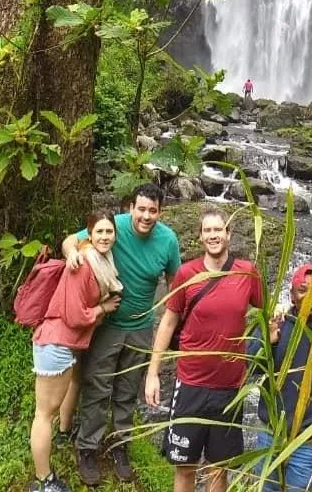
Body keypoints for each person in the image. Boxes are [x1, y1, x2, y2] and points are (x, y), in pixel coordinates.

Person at [62, 183, 181, 485]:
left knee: (128, 392)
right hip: (108, 326)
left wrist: (180, 322)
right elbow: (70, 241)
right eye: (141, 209)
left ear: (160, 212)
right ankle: (87, 447)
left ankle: (120, 446)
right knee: (97, 387)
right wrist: (71, 254)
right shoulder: (113, 228)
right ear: (130, 209)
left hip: (142, 328)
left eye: (152, 211)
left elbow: (175, 284)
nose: (146, 216)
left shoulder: (168, 240)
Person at [145, 210, 263, 492]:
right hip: (190, 385)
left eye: (218, 230)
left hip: (229, 388)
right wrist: (153, 372)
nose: (213, 235)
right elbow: (168, 322)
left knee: (217, 469)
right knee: (185, 468)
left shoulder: (247, 272)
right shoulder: (187, 273)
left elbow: (264, 313)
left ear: (228, 234)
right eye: (207, 230)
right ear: (200, 237)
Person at [29, 211, 123, 492]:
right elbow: (74, 315)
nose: (105, 237)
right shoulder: (82, 264)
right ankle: (45, 481)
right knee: (44, 414)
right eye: (100, 232)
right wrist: (102, 308)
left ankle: (61, 438)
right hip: (55, 343)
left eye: (109, 232)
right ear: (89, 234)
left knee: (56, 404)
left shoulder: (100, 260)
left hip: (63, 344)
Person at [248, 263, 312, 491]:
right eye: (303, 290)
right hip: (270, 431)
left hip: (309, 440)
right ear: (292, 294)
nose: (310, 296)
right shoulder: (277, 324)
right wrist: (269, 341)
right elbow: (250, 366)